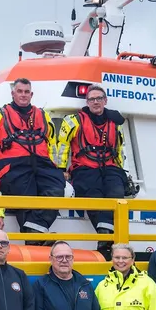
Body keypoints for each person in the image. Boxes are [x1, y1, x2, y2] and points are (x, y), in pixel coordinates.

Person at [0, 78, 65, 242]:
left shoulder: (43, 115)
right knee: (26, 197)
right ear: (13, 93)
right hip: (13, 166)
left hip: (42, 164)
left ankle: (34, 233)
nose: (23, 95)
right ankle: (35, 239)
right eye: (20, 91)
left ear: (31, 95)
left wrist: (57, 168)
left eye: (26, 92)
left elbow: (52, 144)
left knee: (57, 189)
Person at [56, 84, 127, 254]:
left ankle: (105, 237)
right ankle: (107, 238)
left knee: (117, 193)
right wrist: (61, 169)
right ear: (87, 102)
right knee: (93, 196)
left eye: (99, 98)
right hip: (84, 168)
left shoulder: (115, 123)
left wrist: (120, 170)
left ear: (105, 101)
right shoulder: (73, 121)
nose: (96, 102)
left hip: (110, 167)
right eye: (92, 99)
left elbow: (119, 149)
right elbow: (62, 146)